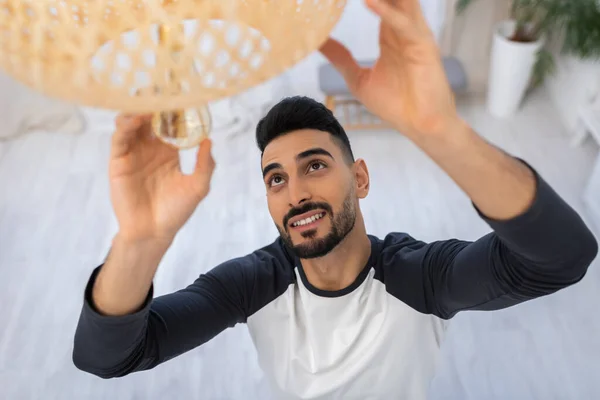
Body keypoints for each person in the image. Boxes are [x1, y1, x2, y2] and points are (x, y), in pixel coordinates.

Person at [72, 0, 598, 399]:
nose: (295, 193)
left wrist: (442, 132)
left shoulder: (419, 277)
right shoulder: (253, 283)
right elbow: (110, 356)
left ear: (360, 179)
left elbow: (560, 258)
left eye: (315, 166)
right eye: (275, 179)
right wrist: (139, 241)